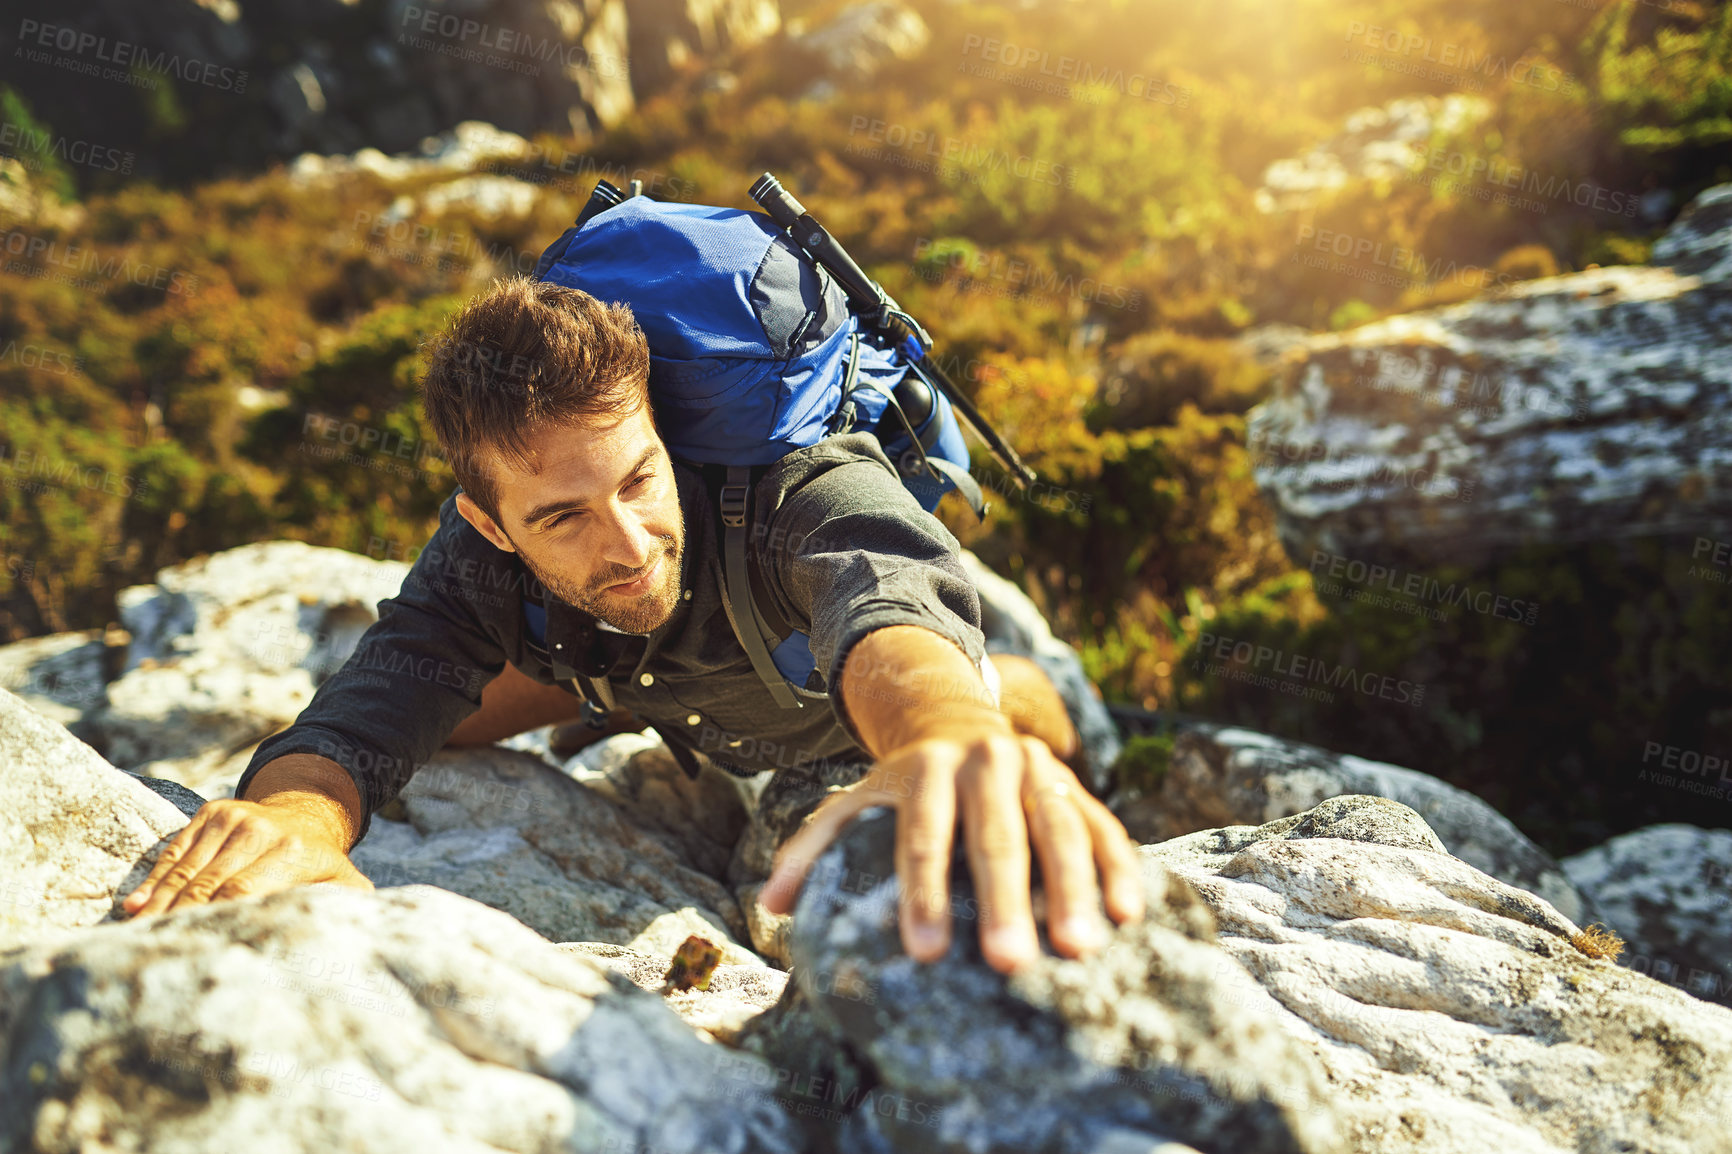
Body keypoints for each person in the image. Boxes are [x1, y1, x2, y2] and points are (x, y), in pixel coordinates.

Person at [122, 277, 1144, 973]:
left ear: (662, 432)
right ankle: (625, 691)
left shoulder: (795, 487)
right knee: (455, 710)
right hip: (688, 678)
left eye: (639, 479)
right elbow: (365, 710)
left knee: (1002, 700)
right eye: (562, 514)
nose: (626, 540)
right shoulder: (476, 559)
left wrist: (948, 737)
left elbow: (888, 596)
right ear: (490, 521)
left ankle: (1043, 696)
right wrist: (298, 818)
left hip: (904, 653)